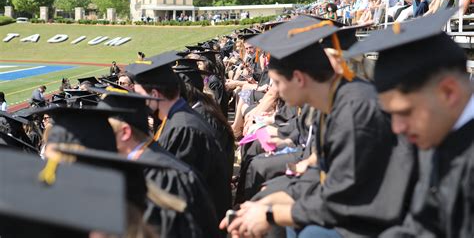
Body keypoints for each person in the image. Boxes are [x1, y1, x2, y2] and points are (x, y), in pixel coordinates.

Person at [221, 15, 416, 237]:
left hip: (373, 219)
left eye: (276, 83)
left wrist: (270, 214)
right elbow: (323, 174)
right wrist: (266, 202)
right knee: (265, 197)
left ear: (299, 78)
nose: (274, 91)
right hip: (342, 202)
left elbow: (344, 196)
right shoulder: (331, 105)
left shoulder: (355, 109)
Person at [346, 9, 473, 238]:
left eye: (405, 112)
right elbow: (422, 226)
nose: (397, 128)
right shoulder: (437, 136)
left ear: (448, 92)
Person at [126, 51, 232, 221]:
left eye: (139, 94)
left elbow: (172, 188)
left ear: (154, 94)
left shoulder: (183, 129)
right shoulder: (178, 118)